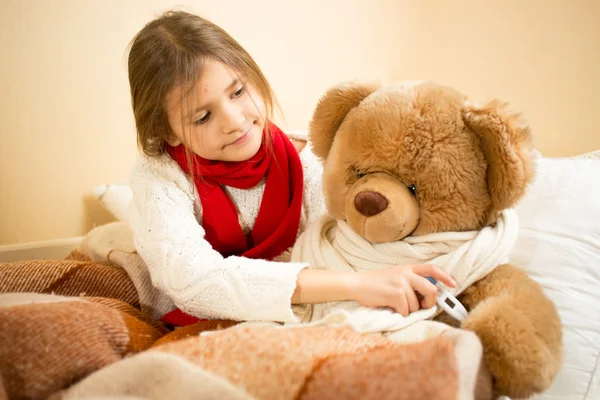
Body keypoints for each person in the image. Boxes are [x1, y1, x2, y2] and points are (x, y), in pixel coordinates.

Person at [126, 10, 455, 326]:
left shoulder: (307, 162)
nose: (235, 120)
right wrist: (356, 285)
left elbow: (348, 247)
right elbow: (193, 280)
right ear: (167, 131)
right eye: (203, 116)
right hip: (199, 318)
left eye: (238, 91)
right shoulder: (158, 176)